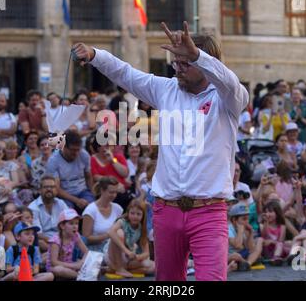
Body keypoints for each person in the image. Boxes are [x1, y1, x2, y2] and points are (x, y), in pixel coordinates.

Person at [73, 21, 249, 281]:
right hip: (165, 211)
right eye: (175, 61)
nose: (176, 67)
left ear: (207, 63)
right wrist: (96, 55)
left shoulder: (228, 98)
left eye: (185, 62)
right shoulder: (166, 89)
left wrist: (198, 56)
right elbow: (125, 73)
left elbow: (230, 82)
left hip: (209, 212)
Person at [46, 131, 94, 212]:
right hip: (65, 194)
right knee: (68, 211)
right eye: (72, 150)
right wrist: (77, 200)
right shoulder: (53, 161)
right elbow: (56, 188)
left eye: (78, 150)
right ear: (64, 147)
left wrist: (92, 193)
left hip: (83, 190)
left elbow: (88, 176)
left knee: (92, 208)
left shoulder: (84, 155)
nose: (76, 153)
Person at [105, 199, 155, 278]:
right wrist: (127, 251)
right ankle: (118, 268)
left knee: (153, 266)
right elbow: (110, 232)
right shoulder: (122, 222)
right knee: (119, 233)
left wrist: (138, 257)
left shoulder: (141, 228)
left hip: (127, 259)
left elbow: (147, 253)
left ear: (143, 216)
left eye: (138, 214)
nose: (135, 216)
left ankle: (114, 270)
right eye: (132, 213)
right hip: (113, 257)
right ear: (128, 213)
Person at [28, 176, 69, 253]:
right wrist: (55, 242)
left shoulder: (61, 203)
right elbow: (37, 233)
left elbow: (69, 223)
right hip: (45, 240)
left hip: (62, 238)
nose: (49, 189)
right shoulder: (33, 207)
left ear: (56, 190)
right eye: (46, 187)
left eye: (52, 187)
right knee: (40, 243)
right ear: (40, 190)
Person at [82, 177, 123, 252]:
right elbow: (86, 238)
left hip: (115, 247)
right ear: (102, 191)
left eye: (116, 192)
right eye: (111, 192)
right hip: (96, 249)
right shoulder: (90, 210)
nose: (114, 195)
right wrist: (108, 235)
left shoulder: (118, 209)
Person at [46, 209, 88, 280]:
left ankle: (80, 274)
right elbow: (54, 262)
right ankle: (81, 276)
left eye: (76, 223)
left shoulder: (76, 235)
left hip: (70, 264)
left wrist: (81, 262)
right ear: (62, 226)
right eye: (71, 223)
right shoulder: (56, 241)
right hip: (57, 267)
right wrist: (74, 266)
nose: (75, 226)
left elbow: (86, 252)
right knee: (58, 270)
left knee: (87, 261)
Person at [91, 137, 130, 209]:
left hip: (121, 190)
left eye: (110, 145)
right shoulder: (93, 159)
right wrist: (115, 184)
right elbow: (95, 177)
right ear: (98, 147)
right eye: (106, 145)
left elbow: (125, 173)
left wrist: (113, 161)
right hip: (105, 190)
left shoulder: (117, 157)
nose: (108, 147)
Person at [228, 203, 263, 270]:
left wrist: (250, 233)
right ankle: (246, 263)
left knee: (259, 240)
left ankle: (247, 264)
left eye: (247, 219)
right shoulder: (228, 229)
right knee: (236, 256)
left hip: (243, 255)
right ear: (234, 220)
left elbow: (251, 249)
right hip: (231, 256)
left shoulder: (245, 229)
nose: (247, 222)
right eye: (244, 219)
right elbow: (237, 245)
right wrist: (240, 231)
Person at [260, 200, 290, 265]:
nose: (267, 214)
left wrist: (271, 241)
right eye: (266, 212)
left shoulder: (282, 226)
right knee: (281, 245)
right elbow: (264, 236)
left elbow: (280, 241)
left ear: (277, 213)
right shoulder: (262, 225)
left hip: (278, 249)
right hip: (267, 251)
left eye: (270, 212)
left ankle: (277, 257)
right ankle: (276, 258)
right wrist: (266, 222)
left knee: (289, 243)